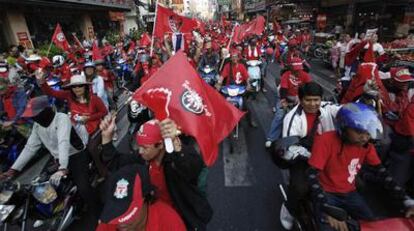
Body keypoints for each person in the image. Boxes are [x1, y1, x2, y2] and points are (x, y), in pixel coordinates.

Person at [307, 102, 414, 231]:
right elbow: (312, 175)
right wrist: (326, 208)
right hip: (327, 193)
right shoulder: (325, 140)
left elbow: (382, 173)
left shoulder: (366, 146)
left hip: (349, 192)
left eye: (368, 132)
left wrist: (406, 199)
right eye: (359, 131)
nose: (364, 137)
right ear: (344, 127)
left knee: (373, 225)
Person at [98, 116, 213, 230]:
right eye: (139, 146)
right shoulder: (142, 159)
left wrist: (176, 144)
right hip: (153, 215)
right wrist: (106, 138)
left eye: (145, 147)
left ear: (160, 145)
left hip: (179, 216)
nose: (140, 151)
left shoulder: (176, 161)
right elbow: (116, 163)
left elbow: (192, 167)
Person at [0, 96, 100, 225]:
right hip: (58, 159)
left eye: (35, 115)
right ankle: (53, 211)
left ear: (45, 111)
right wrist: (13, 170)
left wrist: (62, 168)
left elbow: (63, 142)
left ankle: (98, 213)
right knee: (40, 184)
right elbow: (30, 147)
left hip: (76, 155)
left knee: (84, 188)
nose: (33, 118)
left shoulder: (61, 119)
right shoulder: (38, 126)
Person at [277, 82, 341, 230]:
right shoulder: (292, 118)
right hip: (302, 158)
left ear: (321, 99)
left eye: (316, 100)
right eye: (308, 100)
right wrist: (313, 156)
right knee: (299, 188)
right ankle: (288, 209)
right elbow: (290, 147)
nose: (313, 104)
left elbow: (345, 111)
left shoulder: (327, 108)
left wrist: (365, 99)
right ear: (300, 99)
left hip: (328, 156)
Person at [96, 164, 186, 231]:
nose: (120, 221)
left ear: (146, 200)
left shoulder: (169, 223)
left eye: (127, 212)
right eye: (116, 211)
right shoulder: (109, 223)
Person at [38, 73, 108, 140]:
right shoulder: (69, 95)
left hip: (92, 129)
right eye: (74, 86)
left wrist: (89, 118)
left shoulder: (95, 99)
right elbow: (51, 92)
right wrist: (42, 81)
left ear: (85, 87)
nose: (77, 89)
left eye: (80, 85)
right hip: (75, 128)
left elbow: (104, 112)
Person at [265, 57, 312, 147]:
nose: (297, 72)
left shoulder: (305, 75)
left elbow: (309, 87)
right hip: (285, 97)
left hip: (300, 98)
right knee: (279, 115)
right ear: (291, 69)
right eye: (295, 70)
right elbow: (283, 89)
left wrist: (302, 97)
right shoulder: (286, 75)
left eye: (299, 70)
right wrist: (283, 101)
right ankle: (271, 138)